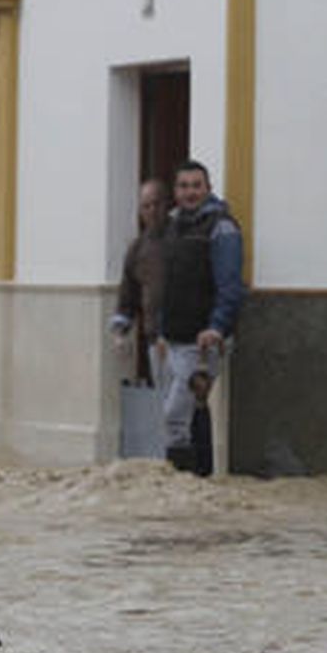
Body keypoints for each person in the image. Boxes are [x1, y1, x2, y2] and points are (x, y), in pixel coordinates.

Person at [158, 159, 245, 476]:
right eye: (184, 186)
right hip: (174, 339)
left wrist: (217, 327)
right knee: (192, 411)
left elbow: (231, 283)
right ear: (175, 191)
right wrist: (161, 331)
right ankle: (199, 488)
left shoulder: (222, 227)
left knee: (174, 417)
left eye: (197, 186)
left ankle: (182, 488)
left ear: (208, 189)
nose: (190, 192)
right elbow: (167, 281)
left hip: (203, 341)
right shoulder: (171, 226)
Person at [108, 177, 170, 384]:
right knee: (166, 406)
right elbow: (128, 297)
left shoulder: (183, 240)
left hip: (184, 342)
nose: (152, 211)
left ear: (167, 205)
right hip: (155, 343)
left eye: (157, 204)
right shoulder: (137, 249)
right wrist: (120, 333)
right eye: (146, 206)